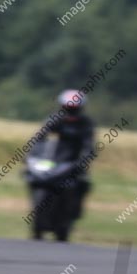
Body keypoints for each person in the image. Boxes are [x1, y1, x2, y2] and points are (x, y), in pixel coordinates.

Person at [48, 89, 95, 218]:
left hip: (74, 162)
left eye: (73, 109)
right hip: (54, 161)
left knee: (83, 183)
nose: (70, 112)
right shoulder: (56, 120)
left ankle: (73, 213)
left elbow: (89, 144)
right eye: (68, 108)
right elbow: (40, 137)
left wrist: (84, 159)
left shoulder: (85, 123)